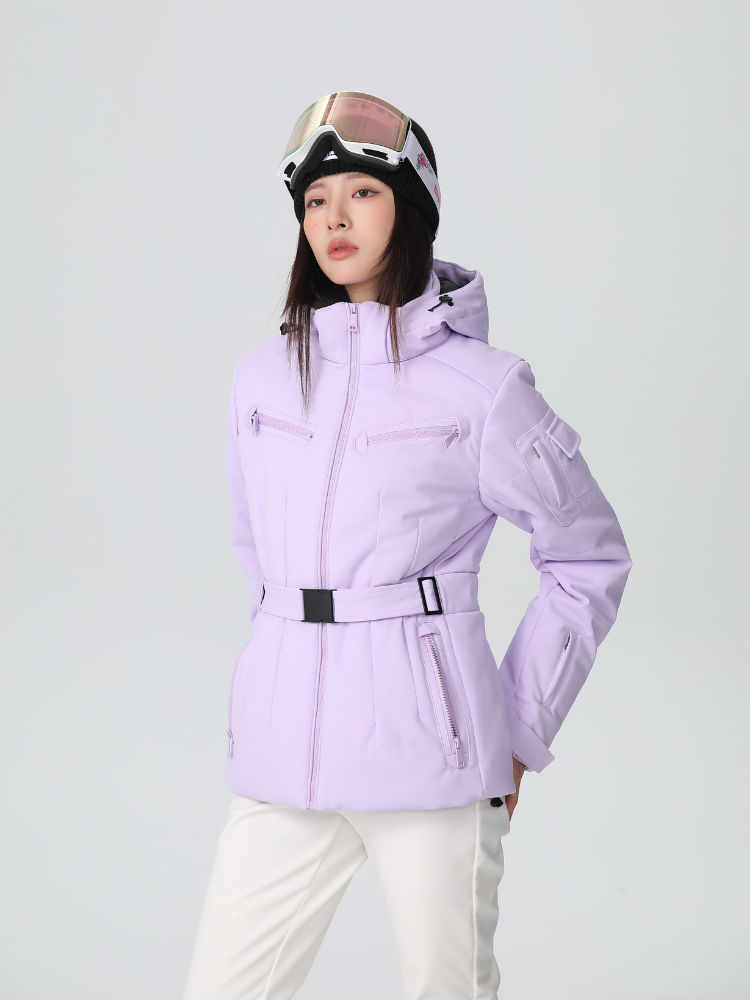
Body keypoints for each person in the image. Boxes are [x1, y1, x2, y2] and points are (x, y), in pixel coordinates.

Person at [183, 92, 631, 1000]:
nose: (334, 219)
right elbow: (256, 555)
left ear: (412, 209)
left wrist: (521, 728)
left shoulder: (484, 389)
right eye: (315, 201)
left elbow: (588, 558)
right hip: (284, 760)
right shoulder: (260, 378)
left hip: (433, 761)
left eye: (362, 193)